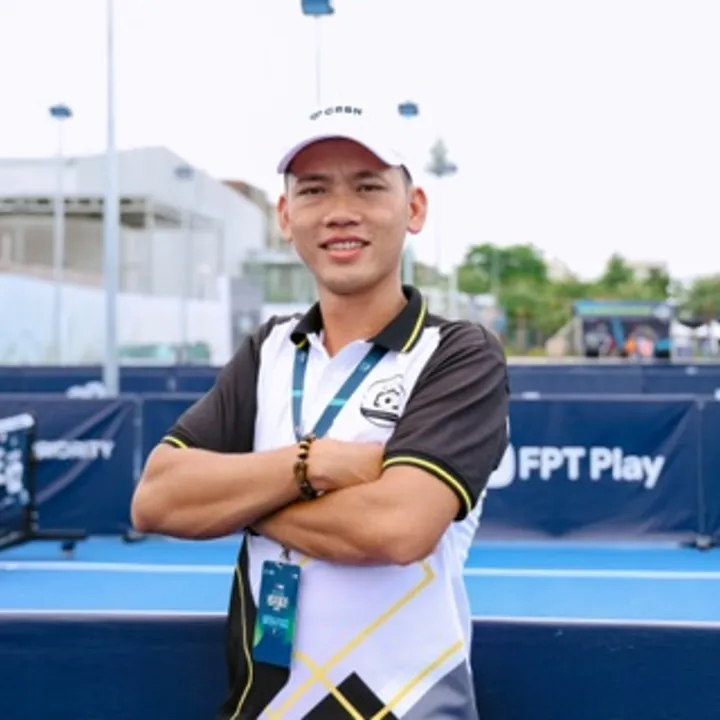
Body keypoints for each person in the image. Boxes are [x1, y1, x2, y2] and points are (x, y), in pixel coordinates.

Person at [131, 102, 510, 720]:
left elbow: (398, 527)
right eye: (313, 190)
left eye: (368, 186)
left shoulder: (459, 353)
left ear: (414, 208)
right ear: (286, 216)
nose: (340, 210)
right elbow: (156, 498)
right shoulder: (268, 349)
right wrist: (314, 464)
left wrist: (242, 500)